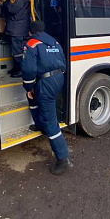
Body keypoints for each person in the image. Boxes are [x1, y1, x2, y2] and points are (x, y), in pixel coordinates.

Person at [22, 20, 71, 175]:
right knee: (35, 99)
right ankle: (39, 125)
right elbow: (63, 62)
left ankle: (62, 158)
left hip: (46, 83)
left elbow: (28, 69)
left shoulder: (31, 43)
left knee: (50, 120)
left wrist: (29, 87)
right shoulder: (55, 42)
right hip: (58, 79)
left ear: (31, 32)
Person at [3, 0, 31, 77]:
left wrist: (4, 3)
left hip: (17, 26)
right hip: (19, 25)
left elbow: (12, 8)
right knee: (17, 49)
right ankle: (17, 67)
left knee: (18, 50)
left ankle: (21, 69)